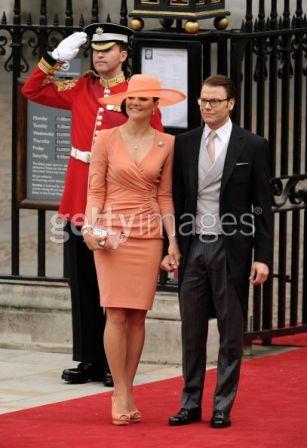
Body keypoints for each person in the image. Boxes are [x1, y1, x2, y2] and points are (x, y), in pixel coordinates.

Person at [22, 23, 163, 387]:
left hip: (118, 198)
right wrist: (53, 59)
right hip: (78, 195)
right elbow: (31, 89)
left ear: (123, 54)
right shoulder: (81, 86)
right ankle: (89, 358)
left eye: (108, 49)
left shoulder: (136, 93)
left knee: (113, 285)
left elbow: (155, 142)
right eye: (95, 50)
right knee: (82, 281)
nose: (99, 55)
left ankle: (113, 363)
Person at [163, 75, 273, 428]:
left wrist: (262, 256)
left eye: (213, 101)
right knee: (191, 330)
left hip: (232, 249)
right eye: (202, 101)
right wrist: (175, 244)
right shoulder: (185, 142)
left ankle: (222, 405)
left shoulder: (252, 145)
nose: (206, 106)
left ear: (231, 104)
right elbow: (179, 198)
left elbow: (262, 206)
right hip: (194, 243)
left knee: (230, 330)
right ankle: (190, 402)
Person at [82, 74, 185, 425]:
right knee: (116, 313)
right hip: (111, 234)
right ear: (124, 102)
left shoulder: (167, 144)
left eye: (144, 99)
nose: (136, 103)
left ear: (155, 104)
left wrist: (172, 240)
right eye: (131, 98)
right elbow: (95, 191)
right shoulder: (105, 138)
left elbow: (165, 195)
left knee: (139, 315)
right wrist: (89, 227)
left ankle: (127, 386)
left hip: (148, 233)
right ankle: (121, 392)